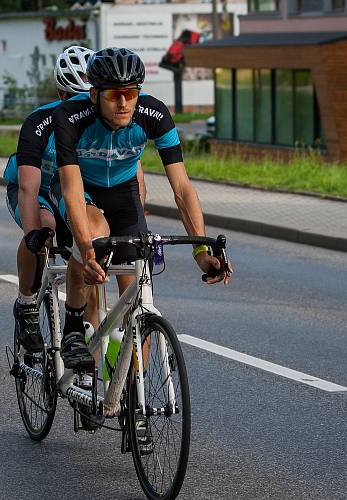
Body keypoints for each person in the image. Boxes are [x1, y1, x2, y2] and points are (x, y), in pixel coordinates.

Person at [51, 47, 232, 371]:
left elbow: (182, 188)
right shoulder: (70, 117)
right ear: (94, 94)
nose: (123, 103)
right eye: (114, 95)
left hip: (124, 195)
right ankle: (74, 327)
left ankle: (133, 396)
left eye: (130, 93)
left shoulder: (155, 114)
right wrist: (88, 253)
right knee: (91, 237)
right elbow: (72, 190)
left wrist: (201, 250)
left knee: (137, 295)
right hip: (83, 190)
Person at [4, 45, 94, 354]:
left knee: (90, 256)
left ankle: (85, 378)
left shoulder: (100, 123)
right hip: (34, 188)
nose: (77, 110)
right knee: (44, 226)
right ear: (59, 93)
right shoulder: (40, 122)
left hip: (68, 189)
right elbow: (29, 188)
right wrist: (34, 236)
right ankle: (27, 304)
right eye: (71, 100)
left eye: (86, 101)